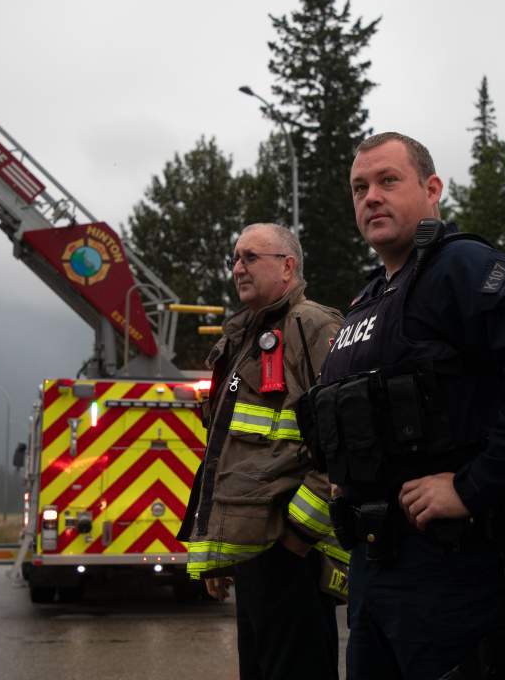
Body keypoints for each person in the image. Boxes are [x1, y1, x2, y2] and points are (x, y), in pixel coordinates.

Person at [311, 132, 505, 679]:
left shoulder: (461, 267)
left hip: (449, 569)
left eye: (388, 181)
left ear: (432, 188)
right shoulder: (368, 300)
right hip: (373, 567)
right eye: (359, 187)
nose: (371, 196)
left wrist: (471, 486)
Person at [178, 222, 346, 680]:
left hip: (292, 555)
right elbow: (228, 456)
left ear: (287, 266)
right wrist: (220, 550)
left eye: (251, 257)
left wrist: (296, 539)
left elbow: (341, 444)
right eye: (235, 258)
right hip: (256, 554)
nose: (238, 268)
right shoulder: (244, 336)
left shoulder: (313, 326)